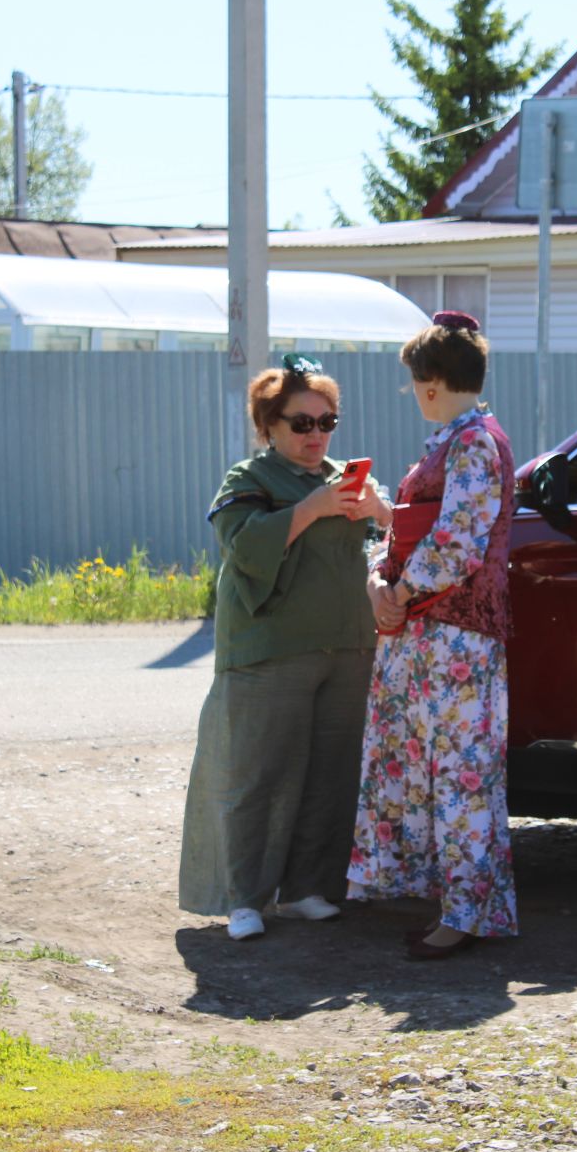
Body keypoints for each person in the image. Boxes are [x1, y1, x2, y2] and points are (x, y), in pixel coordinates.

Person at [179, 354, 391, 942]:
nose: (315, 435)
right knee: (257, 776)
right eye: (301, 423)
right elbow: (242, 548)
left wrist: (381, 510)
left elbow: (392, 544)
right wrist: (311, 509)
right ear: (269, 424)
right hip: (268, 652)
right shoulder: (248, 479)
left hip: (348, 650)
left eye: (327, 423)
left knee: (330, 776)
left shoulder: (350, 476)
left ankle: (303, 890)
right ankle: (243, 898)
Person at [347, 311, 520, 960]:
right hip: (438, 635)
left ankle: (468, 914)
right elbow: (435, 533)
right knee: (450, 771)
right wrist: (386, 579)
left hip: (455, 636)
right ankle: (461, 906)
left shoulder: (472, 441)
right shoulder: (465, 437)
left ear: (430, 382)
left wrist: (398, 592)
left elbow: (456, 542)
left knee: (461, 773)